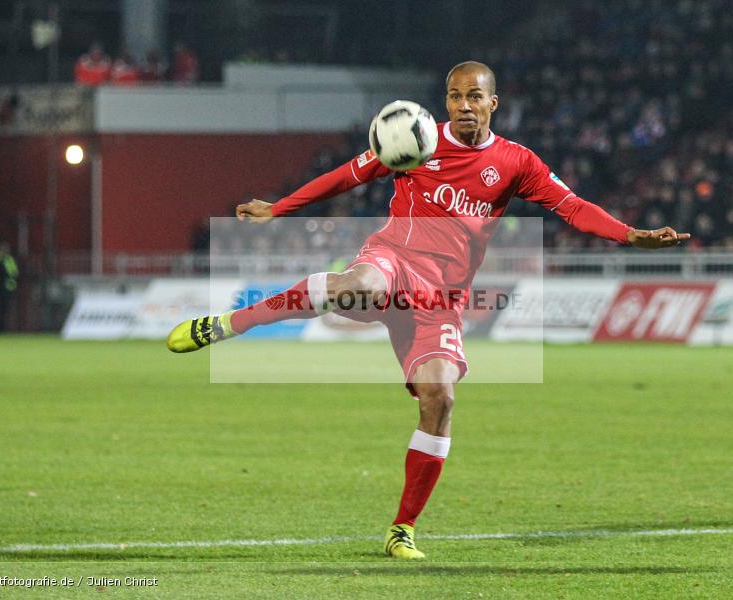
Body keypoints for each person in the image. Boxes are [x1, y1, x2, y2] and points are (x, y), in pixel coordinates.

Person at [167, 61, 689, 559]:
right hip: (393, 259)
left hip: (441, 301)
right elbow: (346, 176)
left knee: (441, 398)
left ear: (494, 103)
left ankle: (402, 528)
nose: (464, 105)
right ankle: (229, 323)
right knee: (359, 284)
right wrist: (278, 207)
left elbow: (572, 206)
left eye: (475, 96)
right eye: (456, 95)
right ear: (446, 100)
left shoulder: (516, 162)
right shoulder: (414, 137)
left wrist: (629, 235)